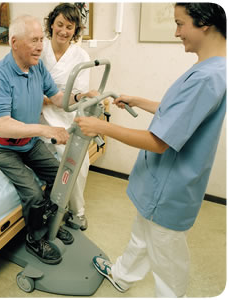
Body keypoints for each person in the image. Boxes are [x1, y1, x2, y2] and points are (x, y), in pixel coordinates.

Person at [75, 3, 226, 297]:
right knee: (142, 234)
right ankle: (122, 275)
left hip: (170, 186)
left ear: (205, 24)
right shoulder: (211, 68)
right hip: (163, 182)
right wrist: (138, 100)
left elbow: (159, 141)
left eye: (181, 24)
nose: (177, 32)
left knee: (167, 256)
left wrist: (101, 127)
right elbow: (179, 113)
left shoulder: (209, 76)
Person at [0, 15, 95, 265]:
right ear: (14, 42)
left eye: (41, 39)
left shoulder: (36, 67)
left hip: (27, 142)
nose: (40, 46)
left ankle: (49, 222)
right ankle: (35, 238)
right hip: (2, 147)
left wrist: (82, 97)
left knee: (61, 175)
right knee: (33, 194)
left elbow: (56, 97)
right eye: (34, 40)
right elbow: (4, 126)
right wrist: (46, 131)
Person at [40, 3, 90, 230]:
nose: (63, 31)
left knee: (78, 160)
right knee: (58, 157)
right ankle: (53, 208)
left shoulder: (81, 55)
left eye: (69, 27)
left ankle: (77, 210)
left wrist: (48, 98)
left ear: (75, 30)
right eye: (59, 24)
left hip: (67, 114)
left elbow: (78, 94)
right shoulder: (39, 48)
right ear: (52, 24)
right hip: (38, 115)